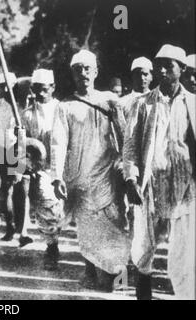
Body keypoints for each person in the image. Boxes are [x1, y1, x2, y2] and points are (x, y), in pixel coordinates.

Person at [51, 49, 130, 292]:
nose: (83, 73)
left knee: (114, 223)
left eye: (87, 68)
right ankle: (92, 271)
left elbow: (126, 135)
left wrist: (128, 170)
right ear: (72, 74)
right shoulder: (64, 107)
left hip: (108, 175)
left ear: (95, 72)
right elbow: (58, 142)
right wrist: (56, 176)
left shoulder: (110, 100)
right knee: (86, 229)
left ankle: (114, 274)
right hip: (81, 177)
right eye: (78, 69)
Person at [124, 44, 195, 300]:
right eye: (159, 65)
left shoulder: (193, 103)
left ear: (182, 69)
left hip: (185, 188)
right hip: (149, 187)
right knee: (143, 247)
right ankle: (143, 295)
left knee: (183, 253)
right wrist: (131, 179)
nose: (162, 70)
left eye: (169, 65)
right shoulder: (143, 103)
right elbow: (130, 147)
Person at [21, 68, 62, 267]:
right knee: (46, 208)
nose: (41, 93)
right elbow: (18, 144)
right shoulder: (26, 114)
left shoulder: (63, 109)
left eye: (45, 89)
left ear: (53, 87)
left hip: (64, 165)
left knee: (65, 209)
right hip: (41, 169)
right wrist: (20, 169)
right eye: (37, 89)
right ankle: (52, 248)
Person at [0, 72, 20, 241]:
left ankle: (22, 227)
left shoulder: (22, 105)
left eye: (9, 86)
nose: (6, 90)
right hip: (3, 150)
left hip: (22, 150)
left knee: (22, 190)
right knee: (6, 190)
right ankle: (10, 224)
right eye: (2, 86)